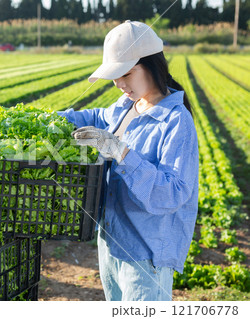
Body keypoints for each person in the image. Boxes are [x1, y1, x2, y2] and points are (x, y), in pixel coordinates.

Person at [57, 20, 199, 301]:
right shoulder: (127, 107)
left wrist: (120, 152)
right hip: (111, 244)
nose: (119, 83)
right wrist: (47, 120)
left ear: (151, 65)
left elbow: (172, 193)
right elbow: (96, 118)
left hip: (145, 255)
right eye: (115, 75)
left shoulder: (175, 120)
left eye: (127, 73)